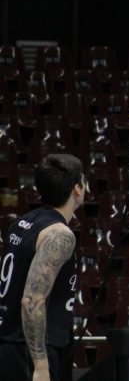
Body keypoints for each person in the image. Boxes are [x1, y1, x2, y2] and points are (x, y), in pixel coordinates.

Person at [0, 154, 86, 381]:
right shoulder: (59, 234)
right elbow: (31, 301)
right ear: (77, 189)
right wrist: (40, 365)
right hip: (28, 350)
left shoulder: (20, 223)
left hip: (10, 342)